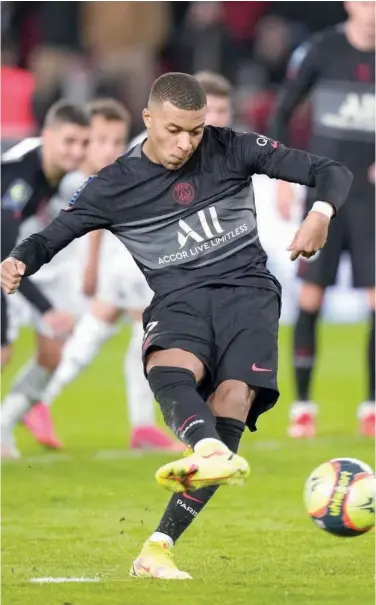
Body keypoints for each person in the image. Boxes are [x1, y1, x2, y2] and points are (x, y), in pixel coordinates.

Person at [1, 72, 352, 579]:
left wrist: (320, 213)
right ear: (147, 121)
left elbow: (330, 169)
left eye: (195, 130)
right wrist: (18, 261)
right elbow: (53, 236)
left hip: (248, 294)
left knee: (233, 400)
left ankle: (158, 546)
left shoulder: (232, 147)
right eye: (174, 131)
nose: (186, 143)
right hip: (179, 298)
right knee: (170, 367)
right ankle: (206, 446)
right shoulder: (114, 184)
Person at [24, 70, 234, 453]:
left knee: (103, 326)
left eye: (222, 110)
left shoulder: (196, 144)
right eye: (212, 109)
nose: (218, 117)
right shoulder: (165, 144)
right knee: (150, 334)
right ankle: (137, 425)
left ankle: (42, 401)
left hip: (135, 253)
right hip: (138, 254)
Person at [20, 97, 181, 453]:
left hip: (111, 266)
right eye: (100, 140)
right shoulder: (73, 179)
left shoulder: (104, 174)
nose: (109, 149)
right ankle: (45, 401)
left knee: (125, 325)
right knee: (142, 327)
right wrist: (90, 267)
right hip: (81, 272)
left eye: (115, 141)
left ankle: (137, 425)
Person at [269, 0, 375, 438]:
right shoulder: (321, 49)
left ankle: (371, 408)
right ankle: (303, 407)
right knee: (310, 298)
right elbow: (281, 110)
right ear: (350, 3)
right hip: (325, 197)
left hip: (372, 200)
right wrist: (278, 175)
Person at [0, 101, 90, 456]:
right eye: (69, 141)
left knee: (47, 353)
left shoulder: (52, 175)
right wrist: (47, 308)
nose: (77, 151)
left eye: (83, 143)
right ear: (48, 136)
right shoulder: (21, 175)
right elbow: (5, 255)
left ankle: (4, 427)